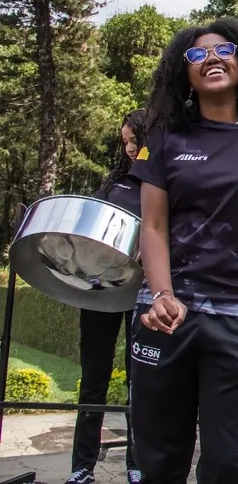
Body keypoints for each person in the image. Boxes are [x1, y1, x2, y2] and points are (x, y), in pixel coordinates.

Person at [128, 18, 238, 484]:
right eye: (197, 55)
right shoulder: (164, 137)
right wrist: (162, 295)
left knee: (228, 463)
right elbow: (153, 225)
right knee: (160, 459)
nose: (211, 59)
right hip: (167, 315)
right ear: (184, 74)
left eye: (223, 50)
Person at [65, 109, 147, 484]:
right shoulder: (115, 182)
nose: (129, 148)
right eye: (125, 141)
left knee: (139, 380)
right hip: (103, 288)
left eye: (135, 140)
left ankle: (137, 463)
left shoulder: (161, 180)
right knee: (93, 378)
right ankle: (83, 465)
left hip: (141, 291)